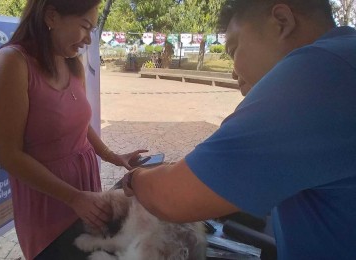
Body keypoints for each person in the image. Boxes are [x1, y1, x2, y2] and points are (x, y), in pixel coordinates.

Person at [122, 0, 356, 259]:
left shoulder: (316, 75)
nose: (234, 73)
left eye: (234, 50)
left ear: (281, 21)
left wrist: (134, 178)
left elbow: (171, 197)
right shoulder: (344, 58)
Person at [0, 0, 146, 259]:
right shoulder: (12, 63)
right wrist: (73, 198)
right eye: (85, 27)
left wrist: (111, 156)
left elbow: (79, 125)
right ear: (51, 16)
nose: (88, 40)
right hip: (48, 198)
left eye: (92, 30)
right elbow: (7, 154)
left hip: (85, 188)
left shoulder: (72, 64)